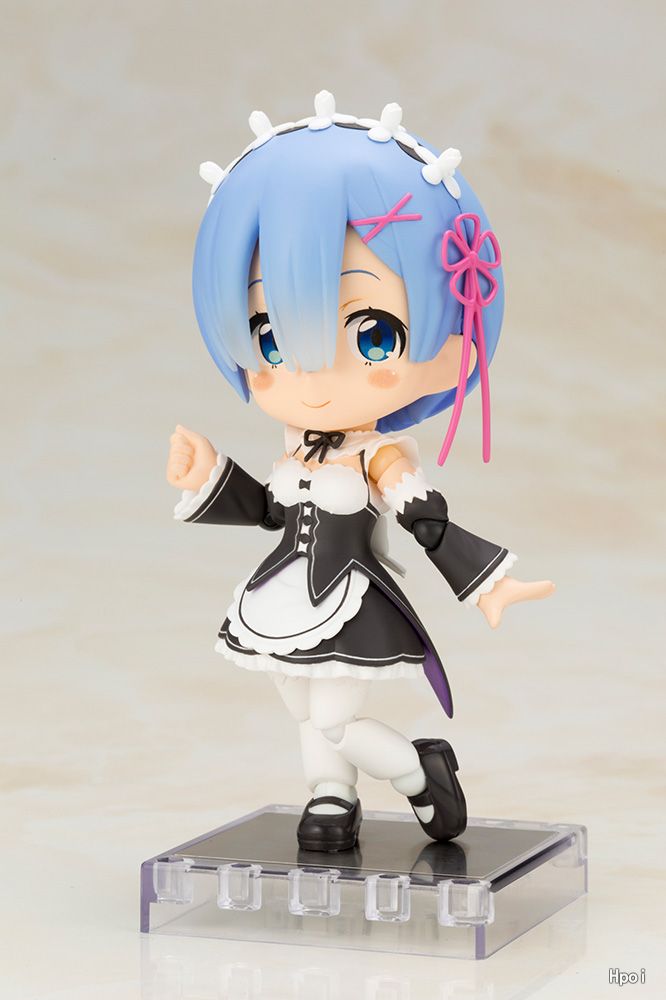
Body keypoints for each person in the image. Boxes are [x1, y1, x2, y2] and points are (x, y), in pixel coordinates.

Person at [166, 93, 554, 852]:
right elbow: (272, 511)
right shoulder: (296, 448)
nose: (312, 376)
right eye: (271, 338)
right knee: (301, 705)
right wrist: (210, 475)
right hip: (282, 594)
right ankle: (331, 794)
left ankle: (418, 774)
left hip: (349, 599)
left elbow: (425, 520)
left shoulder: (378, 456)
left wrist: (486, 582)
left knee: (335, 715)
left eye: (372, 334)